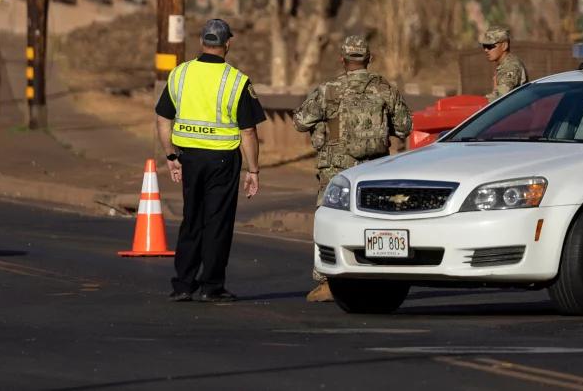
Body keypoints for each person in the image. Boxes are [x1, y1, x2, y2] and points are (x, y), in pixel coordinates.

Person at [293, 34, 412, 302]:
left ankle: (326, 281)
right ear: (370, 59)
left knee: (329, 218)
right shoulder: (385, 89)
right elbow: (405, 127)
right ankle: (378, 273)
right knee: (377, 219)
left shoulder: (329, 89)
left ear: (342, 59)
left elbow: (300, 121)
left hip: (337, 166)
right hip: (376, 165)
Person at [155, 18, 266, 303]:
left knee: (191, 218)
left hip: (188, 158)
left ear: (202, 42)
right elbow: (249, 131)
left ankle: (182, 285)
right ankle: (211, 286)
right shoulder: (236, 80)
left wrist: (170, 156)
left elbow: (163, 118)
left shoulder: (180, 74)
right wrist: (253, 170)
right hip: (222, 161)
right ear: (228, 43)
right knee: (217, 222)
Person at [481, 26, 528, 101]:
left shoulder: (511, 66)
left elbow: (500, 96)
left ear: (504, 46)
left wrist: (479, 102)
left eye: (490, 46)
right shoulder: (504, 64)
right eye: (484, 46)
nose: (486, 50)